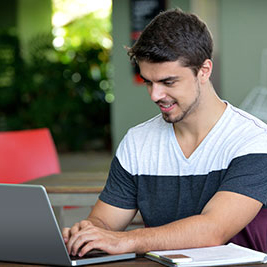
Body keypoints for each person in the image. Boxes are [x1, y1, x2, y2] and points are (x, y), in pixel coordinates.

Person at [63, 8, 267, 256]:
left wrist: (127, 241)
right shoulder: (137, 143)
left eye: (168, 82)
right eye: (148, 81)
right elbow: (105, 222)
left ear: (204, 70)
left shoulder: (254, 140)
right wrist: (88, 233)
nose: (155, 95)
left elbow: (213, 230)